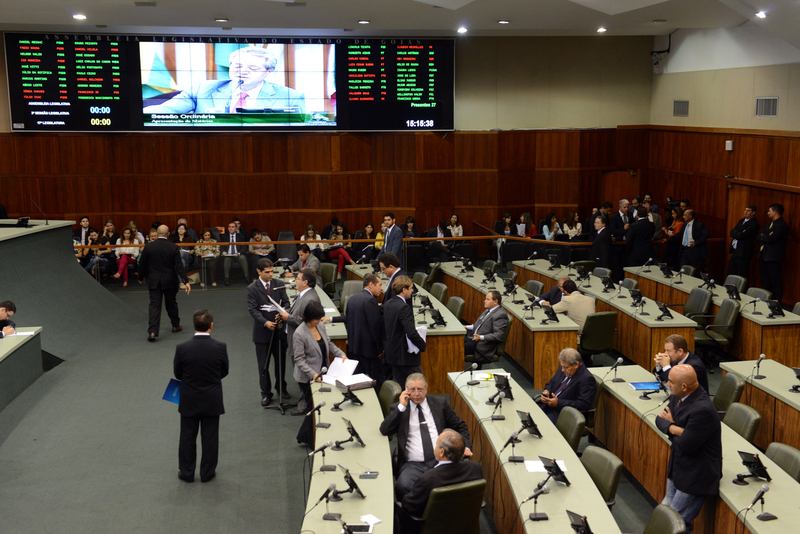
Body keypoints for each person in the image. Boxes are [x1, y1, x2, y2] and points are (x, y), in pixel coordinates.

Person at [379, 373, 471, 500]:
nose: (417, 394)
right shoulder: (399, 409)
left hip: (441, 459)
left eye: (420, 389)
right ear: (406, 390)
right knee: (402, 486)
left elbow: (460, 426)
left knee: (459, 484)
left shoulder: (440, 404)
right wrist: (401, 408)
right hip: (413, 464)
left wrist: (466, 447)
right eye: (412, 390)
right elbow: (384, 430)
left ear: (426, 389)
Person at [656, 365, 722, 534]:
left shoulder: (703, 410)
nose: (667, 384)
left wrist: (671, 427)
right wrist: (677, 429)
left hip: (696, 474)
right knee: (664, 513)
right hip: (678, 466)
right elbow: (660, 420)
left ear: (684, 386)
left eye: (670, 382)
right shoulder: (678, 395)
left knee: (677, 522)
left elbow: (686, 445)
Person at [144, 47, 306, 114]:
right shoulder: (202, 89)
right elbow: (163, 111)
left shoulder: (291, 96)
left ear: (269, 72)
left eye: (252, 68)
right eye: (237, 66)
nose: (242, 71)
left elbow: (298, 133)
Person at [173, 309, 229, 484]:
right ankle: (207, 473)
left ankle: (187, 473)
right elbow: (224, 371)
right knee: (210, 437)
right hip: (212, 399)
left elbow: (178, 373)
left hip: (189, 399)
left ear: (194, 325)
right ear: (211, 325)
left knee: (187, 436)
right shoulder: (220, 347)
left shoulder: (182, 348)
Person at [397, 429, 483, 532]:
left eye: (437, 443)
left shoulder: (429, 478)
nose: (435, 446)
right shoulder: (475, 468)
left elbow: (409, 506)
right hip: (464, 526)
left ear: (442, 452)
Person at [247, 258, 291, 408]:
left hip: (279, 331)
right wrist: (265, 322)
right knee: (263, 365)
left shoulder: (279, 284)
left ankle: (281, 388)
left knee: (280, 363)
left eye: (272, 271)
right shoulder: (252, 288)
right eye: (267, 272)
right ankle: (266, 393)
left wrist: (283, 314)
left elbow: (286, 303)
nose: (271, 274)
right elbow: (253, 309)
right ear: (259, 272)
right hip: (262, 333)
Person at [292, 301, 347, 416]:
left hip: (324, 372)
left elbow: (329, 344)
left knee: (325, 405)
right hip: (308, 377)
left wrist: (341, 354)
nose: (319, 320)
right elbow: (299, 360)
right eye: (316, 318)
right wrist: (314, 375)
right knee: (312, 407)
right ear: (309, 317)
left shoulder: (320, 325)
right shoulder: (299, 333)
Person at [278, 268, 321, 413]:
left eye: (298, 279)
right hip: (295, 338)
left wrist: (287, 317)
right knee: (299, 372)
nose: (295, 281)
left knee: (303, 374)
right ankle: (304, 402)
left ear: (305, 282)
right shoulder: (304, 295)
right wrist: (286, 313)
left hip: (303, 341)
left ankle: (305, 406)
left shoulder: (310, 298)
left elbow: (305, 321)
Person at [139, 225, 191, 342]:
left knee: (154, 306)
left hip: (154, 280)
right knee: (171, 303)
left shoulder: (149, 246)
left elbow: (142, 264)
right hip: (170, 280)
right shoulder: (173, 247)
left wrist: (141, 277)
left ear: (157, 234)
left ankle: (153, 331)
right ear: (168, 234)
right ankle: (175, 326)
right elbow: (179, 266)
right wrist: (185, 281)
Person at [383, 276, 427, 386]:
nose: (412, 291)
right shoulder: (404, 308)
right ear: (404, 290)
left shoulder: (388, 304)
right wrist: (422, 345)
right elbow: (411, 332)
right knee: (418, 386)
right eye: (411, 288)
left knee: (400, 388)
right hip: (405, 357)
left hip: (392, 354)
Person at [345, 273, 386, 390]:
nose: (381, 288)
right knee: (377, 381)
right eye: (380, 285)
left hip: (354, 348)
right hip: (370, 351)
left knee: (358, 380)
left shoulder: (352, 298)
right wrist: (380, 348)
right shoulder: (370, 300)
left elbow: (348, 322)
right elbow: (375, 327)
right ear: (371, 285)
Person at [537, 347, 596, 424]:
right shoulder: (564, 367)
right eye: (562, 366)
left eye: (566, 367)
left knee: (540, 424)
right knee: (528, 414)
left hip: (561, 413)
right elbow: (551, 383)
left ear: (576, 365)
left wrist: (558, 403)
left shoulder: (586, 379)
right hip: (547, 405)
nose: (562, 370)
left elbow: (583, 404)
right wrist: (547, 391)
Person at [464, 291, 508, 370]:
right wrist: (466, 327)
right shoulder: (489, 309)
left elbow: (499, 335)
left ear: (495, 301)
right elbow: (479, 326)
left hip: (482, 346)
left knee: (456, 348)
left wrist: (480, 337)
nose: (485, 301)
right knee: (455, 340)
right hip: (474, 340)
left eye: (488, 299)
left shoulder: (500, 315)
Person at [757, 203, 789, 303]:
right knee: (765, 281)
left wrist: (764, 236)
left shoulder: (782, 225)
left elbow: (771, 239)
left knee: (775, 281)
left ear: (775, 212)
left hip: (774, 257)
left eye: (769, 211)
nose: (768, 213)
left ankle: (776, 303)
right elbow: (759, 237)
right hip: (764, 256)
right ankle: (766, 301)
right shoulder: (769, 224)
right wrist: (765, 236)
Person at [727, 204, 758, 278]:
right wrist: (740, 233)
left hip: (744, 252)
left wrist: (738, 233)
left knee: (742, 273)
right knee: (731, 270)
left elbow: (743, 235)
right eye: (745, 210)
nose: (745, 212)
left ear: (753, 213)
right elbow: (732, 232)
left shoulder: (754, 223)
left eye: (748, 211)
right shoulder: (741, 221)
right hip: (736, 251)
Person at [221, 221, 249, 286]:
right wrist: (223, 252)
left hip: (238, 254)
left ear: (236, 229)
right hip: (228, 255)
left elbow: (244, 248)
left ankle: (247, 278)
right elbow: (221, 246)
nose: (231, 228)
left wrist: (238, 253)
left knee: (243, 258)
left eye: (233, 227)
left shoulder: (241, 236)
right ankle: (226, 279)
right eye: (229, 227)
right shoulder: (224, 237)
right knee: (226, 259)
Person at [170, 223, 195, 287]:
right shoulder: (174, 238)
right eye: (179, 229)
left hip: (188, 256)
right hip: (177, 257)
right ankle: (182, 282)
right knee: (181, 261)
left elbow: (193, 248)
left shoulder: (189, 237)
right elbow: (170, 248)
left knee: (181, 254)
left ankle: (181, 281)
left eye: (182, 229)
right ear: (177, 230)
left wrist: (191, 251)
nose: (181, 230)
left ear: (185, 230)